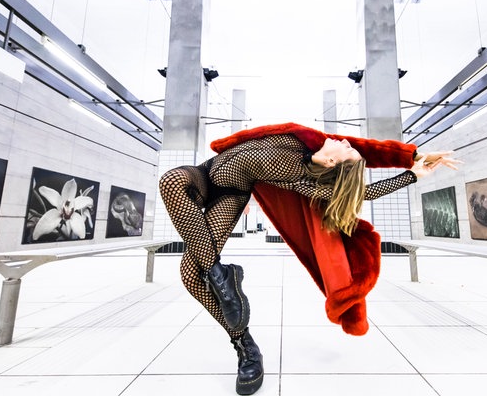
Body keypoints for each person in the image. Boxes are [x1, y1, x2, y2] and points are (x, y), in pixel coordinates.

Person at [158, 122, 460, 395]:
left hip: (229, 194)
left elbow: (362, 193)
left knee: (189, 274)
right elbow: (370, 147)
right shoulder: (305, 137)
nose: (345, 142)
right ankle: (224, 279)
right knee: (171, 180)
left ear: (331, 162)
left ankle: (245, 346)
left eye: (347, 150)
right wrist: (414, 155)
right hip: (205, 174)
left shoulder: (303, 180)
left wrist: (412, 176)